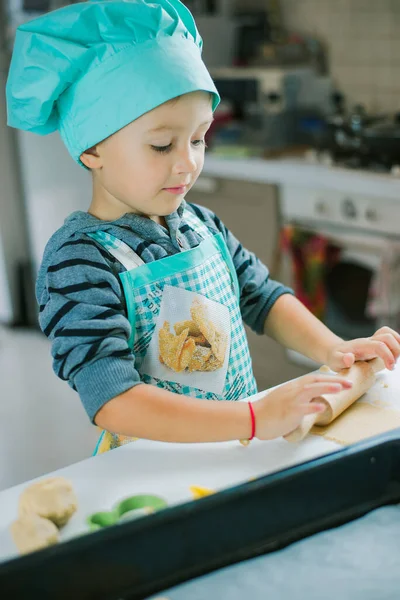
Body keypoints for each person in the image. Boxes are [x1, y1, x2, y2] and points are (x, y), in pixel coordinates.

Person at [6, 0, 400, 454]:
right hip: (154, 470)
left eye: (198, 139)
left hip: (234, 449)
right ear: (92, 152)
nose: (187, 163)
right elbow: (112, 400)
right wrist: (253, 418)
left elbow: (262, 297)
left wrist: (335, 351)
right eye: (161, 145)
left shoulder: (200, 224)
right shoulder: (78, 261)